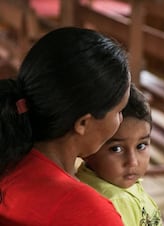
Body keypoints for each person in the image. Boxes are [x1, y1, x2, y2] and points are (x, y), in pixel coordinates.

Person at [0, 27, 131, 225]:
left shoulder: (7, 155)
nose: (120, 121)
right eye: (118, 111)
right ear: (83, 123)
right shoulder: (89, 212)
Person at [76, 84, 163, 226]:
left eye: (141, 146)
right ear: (89, 147)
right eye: (116, 149)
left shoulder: (113, 181)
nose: (133, 162)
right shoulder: (116, 201)